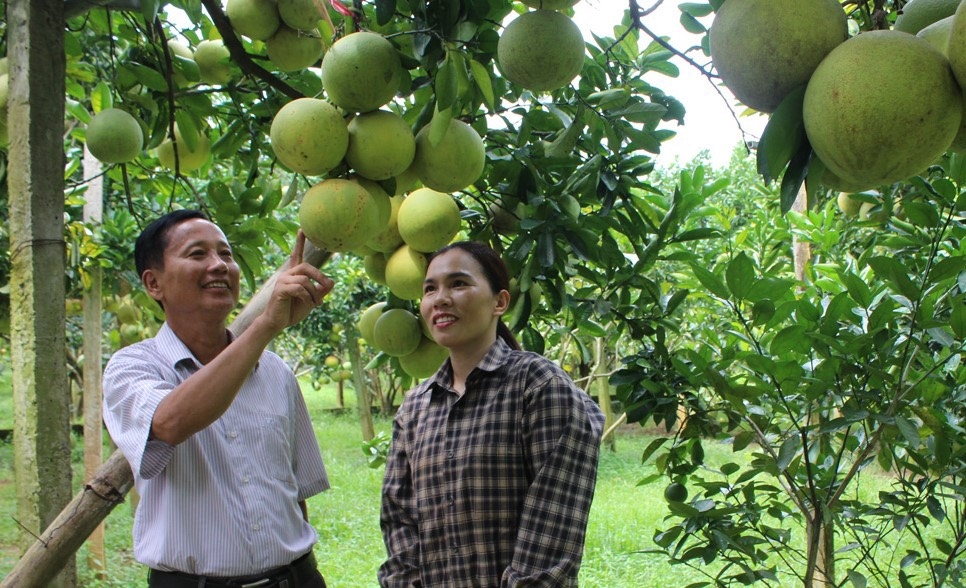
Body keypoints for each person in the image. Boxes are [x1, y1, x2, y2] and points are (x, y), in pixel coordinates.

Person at [102, 209, 335, 588]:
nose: (219, 266)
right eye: (197, 254)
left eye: (226, 255)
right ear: (153, 283)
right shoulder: (132, 367)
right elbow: (169, 422)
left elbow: (293, 493)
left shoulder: (275, 372)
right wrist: (265, 327)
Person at [378, 241, 605, 587]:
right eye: (429, 289)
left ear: (499, 302)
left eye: (458, 283)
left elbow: (553, 524)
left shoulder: (537, 385)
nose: (440, 298)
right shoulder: (415, 407)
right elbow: (399, 519)